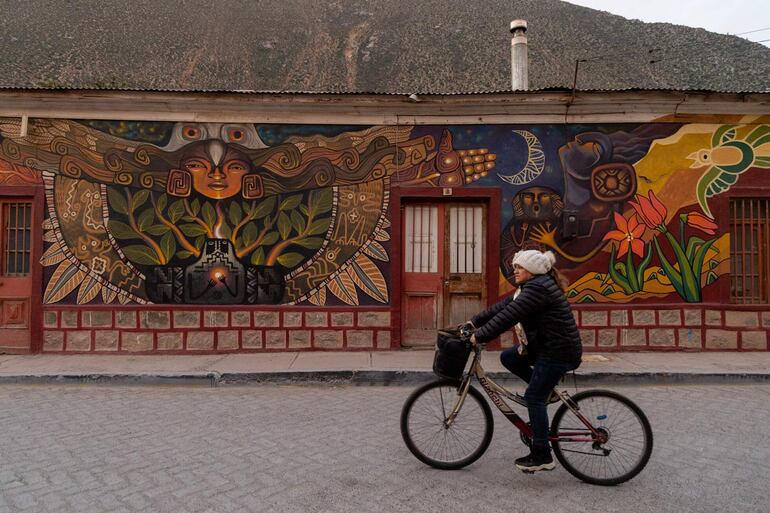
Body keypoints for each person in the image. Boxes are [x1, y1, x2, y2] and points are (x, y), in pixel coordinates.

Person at [467, 249, 582, 473]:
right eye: (515, 266)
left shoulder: (537, 289)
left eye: (519, 267)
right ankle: (546, 390)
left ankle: (542, 455)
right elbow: (504, 307)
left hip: (558, 352)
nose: (515, 270)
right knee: (508, 357)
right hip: (546, 347)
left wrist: (479, 336)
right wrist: (474, 322)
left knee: (533, 398)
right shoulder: (532, 287)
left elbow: (509, 316)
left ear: (532, 270)